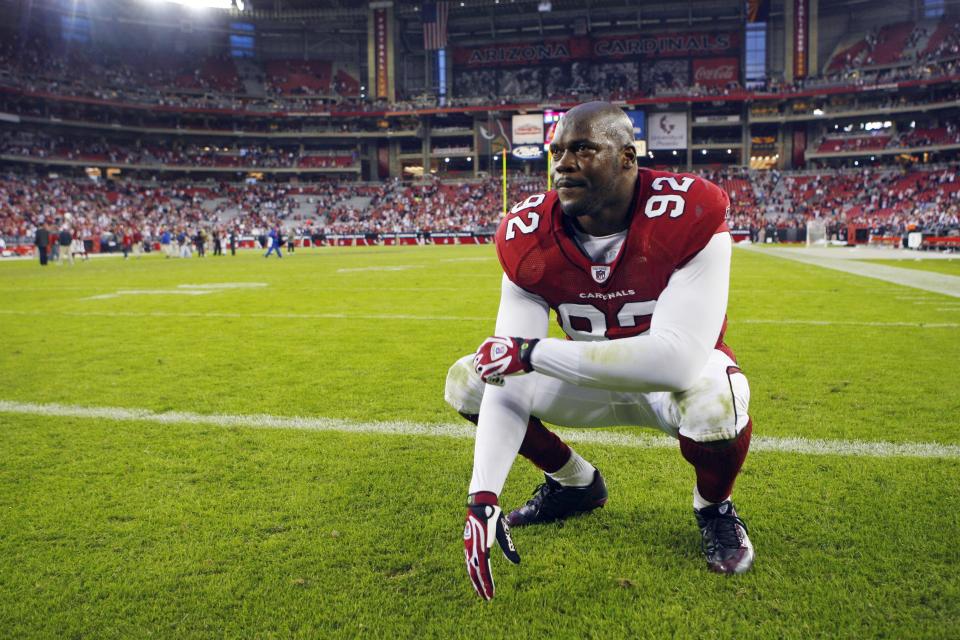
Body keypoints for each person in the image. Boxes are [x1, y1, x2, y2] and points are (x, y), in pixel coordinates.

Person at [446, 102, 753, 601]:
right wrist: (482, 497)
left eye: (584, 148)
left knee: (717, 402)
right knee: (471, 380)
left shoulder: (687, 210)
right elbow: (507, 371)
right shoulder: (527, 234)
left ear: (628, 157)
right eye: (557, 151)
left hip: (671, 384)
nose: (563, 163)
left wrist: (533, 353)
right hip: (586, 375)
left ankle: (714, 507)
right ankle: (574, 484)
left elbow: (678, 359)